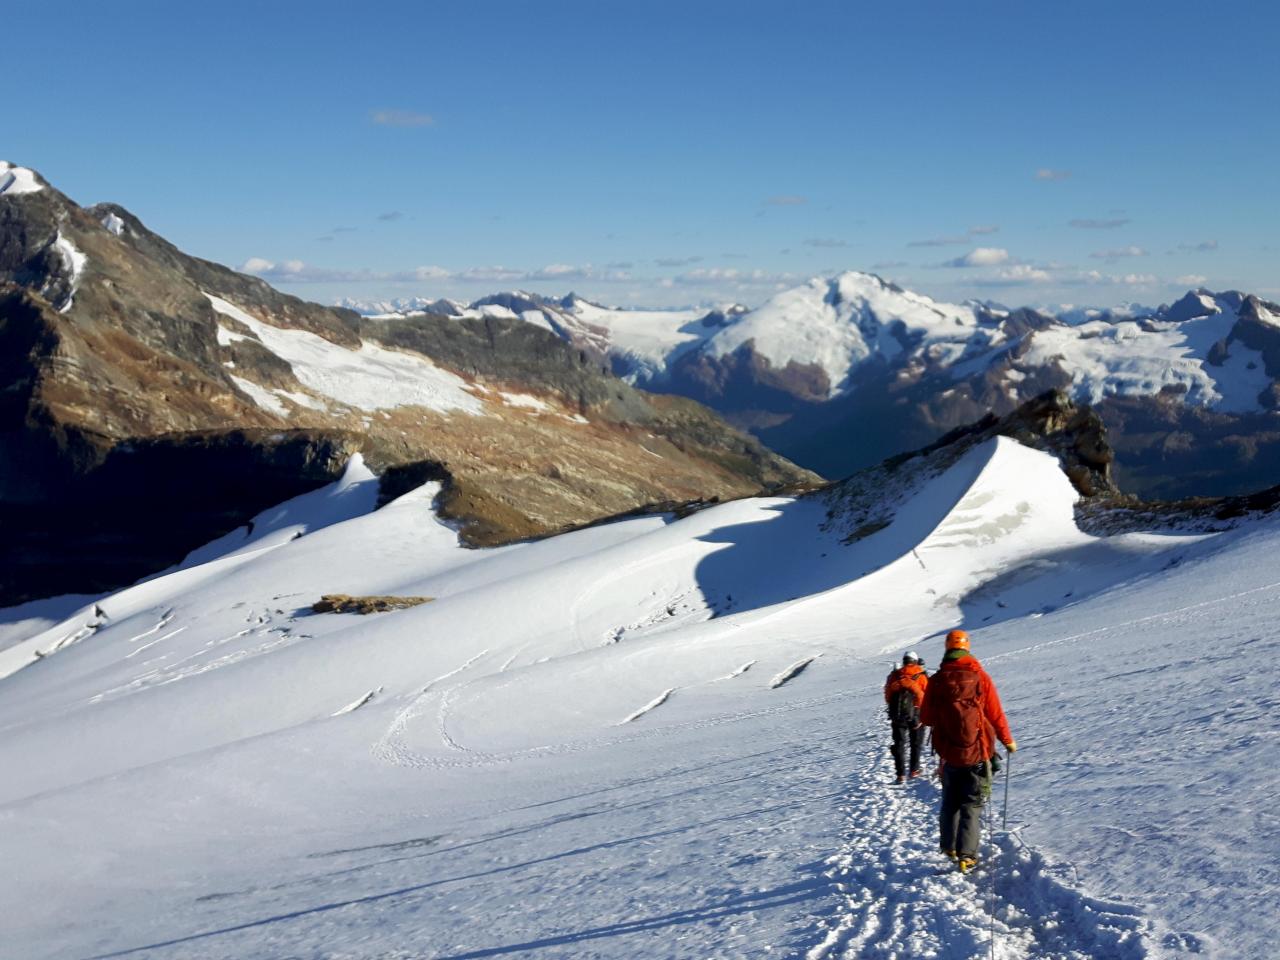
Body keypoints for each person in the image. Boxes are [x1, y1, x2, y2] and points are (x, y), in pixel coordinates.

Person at [920, 628, 1016, 873]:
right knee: (971, 805)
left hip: (949, 753)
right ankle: (967, 856)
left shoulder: (936, 680)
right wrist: (1007, 741)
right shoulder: (980, 677)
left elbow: (926, 718)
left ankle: (949, 847)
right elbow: (995, 713)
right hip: (979, 751)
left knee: (950, 802)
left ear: (947, 649)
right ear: (967, 648)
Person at [884, 650, 928, 783]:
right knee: (916, 743)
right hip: (916, 714)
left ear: (904, 661)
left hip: (897, 715)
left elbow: (888, 696)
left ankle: (900, 774)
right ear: (915, 661)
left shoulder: (895, 676)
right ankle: (914, 770)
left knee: (899, 743)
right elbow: (927, 695)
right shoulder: (920, 675)